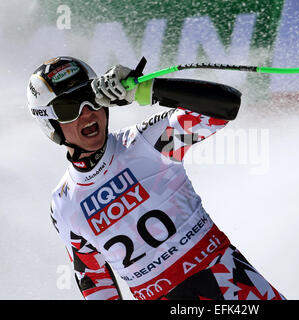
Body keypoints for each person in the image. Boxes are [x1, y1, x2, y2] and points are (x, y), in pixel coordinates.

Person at [27, 56, 285, 300]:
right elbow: (96, 283)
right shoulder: (63, 203)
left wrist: (145, 90)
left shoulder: (148, 142)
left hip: (233, 288)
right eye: (68, 108)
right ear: (49, 124)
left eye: (90, 97)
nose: (86, 112)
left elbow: (225, 107)